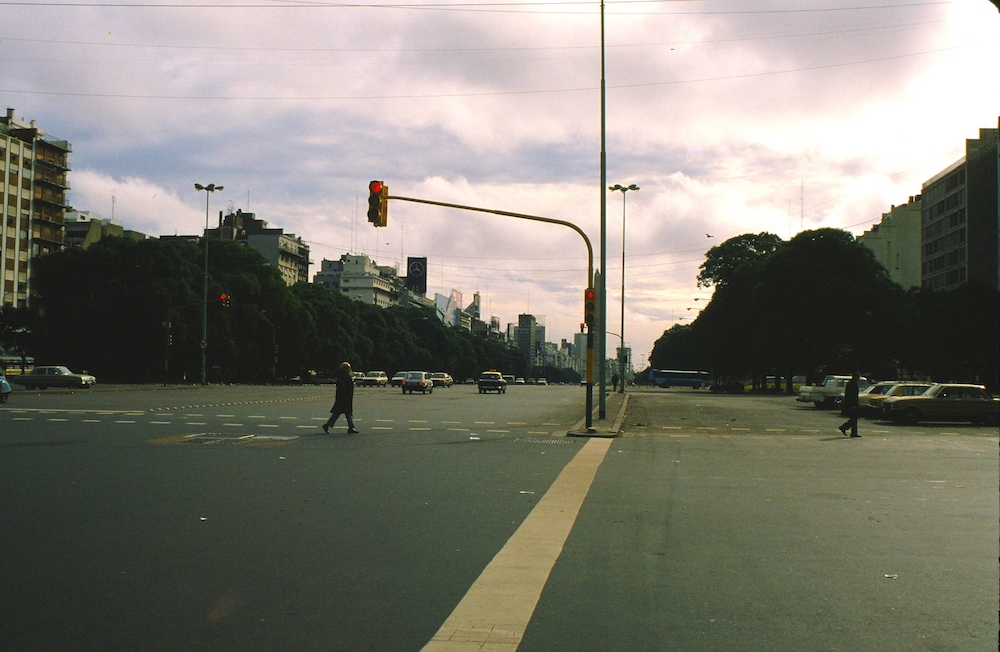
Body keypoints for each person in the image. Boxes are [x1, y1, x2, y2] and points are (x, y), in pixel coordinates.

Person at [323, 362, 359, 434]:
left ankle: (328, 425)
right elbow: (342, 385)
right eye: (347, 368)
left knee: (342, 413)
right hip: (343, 397)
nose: (348, 369)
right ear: (344, 368)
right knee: (345, 412)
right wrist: (345, 391)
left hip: (345, 397)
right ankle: (351, 427)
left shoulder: (344, 375)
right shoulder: (341, 375)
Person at [839, 372, 861, 438]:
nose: (859, 378)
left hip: (851, 403)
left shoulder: (851, 383)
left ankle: (853, 432)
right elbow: (852, 395)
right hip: (852, 403)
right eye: (858, 377)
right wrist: (854, 404)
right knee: (854, 418)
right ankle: (844, 427)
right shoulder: (852, 384)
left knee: (854, 418)